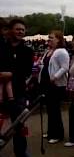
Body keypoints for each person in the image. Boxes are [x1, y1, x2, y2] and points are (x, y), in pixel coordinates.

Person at [4, 19, 33, 157]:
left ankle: (21, 152)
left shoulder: (27, 51)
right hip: (1, 91)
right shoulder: (1, 47)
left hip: (19, 93)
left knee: (19, 125)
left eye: (22, 29)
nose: (20, 31)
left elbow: (26, 71)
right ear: (11, 30)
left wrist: (10, 74)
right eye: (17, 29)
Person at [40, 30, 69, 144]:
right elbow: (45, 65)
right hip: (46, 84)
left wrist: (55, 77)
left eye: (52, 38)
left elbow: (65, 67)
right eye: (49, 37)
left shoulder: (61, 52)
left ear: (59, 39)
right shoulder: (49, 51)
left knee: (55, 110)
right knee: (50, 109)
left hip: (56, 85)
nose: (49, 40)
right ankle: (51, 131)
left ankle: (58, 135)